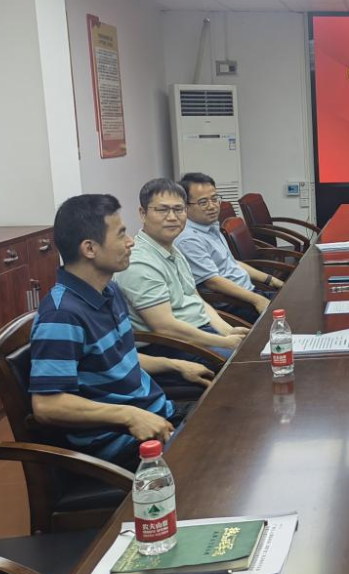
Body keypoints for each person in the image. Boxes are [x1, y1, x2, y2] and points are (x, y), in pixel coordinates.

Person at [29, 194, 213, 468]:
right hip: (122, 441)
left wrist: (175, 364)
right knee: (227, 451)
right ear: (90, 248)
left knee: (235, 417)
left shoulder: (109, 291)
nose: (131, 242)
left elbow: (117, 358)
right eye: (121, 234)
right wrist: (128, 416)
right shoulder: (61, 315)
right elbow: (47, 406)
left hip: (157, 414)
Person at [115, 178, 249, 360]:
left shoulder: (171, 247)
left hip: (198, 332)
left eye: (178, 209)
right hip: (170, 344)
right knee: (246, 360)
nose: (172, 217)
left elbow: (195, 298)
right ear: (143, 213)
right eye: (162, 210)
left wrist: (227, 331)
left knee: (256, 347)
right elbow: (164, 327)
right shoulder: (138, 262)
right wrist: (224, 342)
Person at [175, 172, 283, 323]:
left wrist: (272, 280)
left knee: (300, 300)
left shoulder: (210, 226)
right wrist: (257, 300)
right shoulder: (188, 239)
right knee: (296, 318)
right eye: (203, 202)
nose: (212, 206)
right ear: (185, 206)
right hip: (234, 304)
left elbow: (231, 262)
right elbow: (213, 281)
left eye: (214, 199)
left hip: (249, 292)